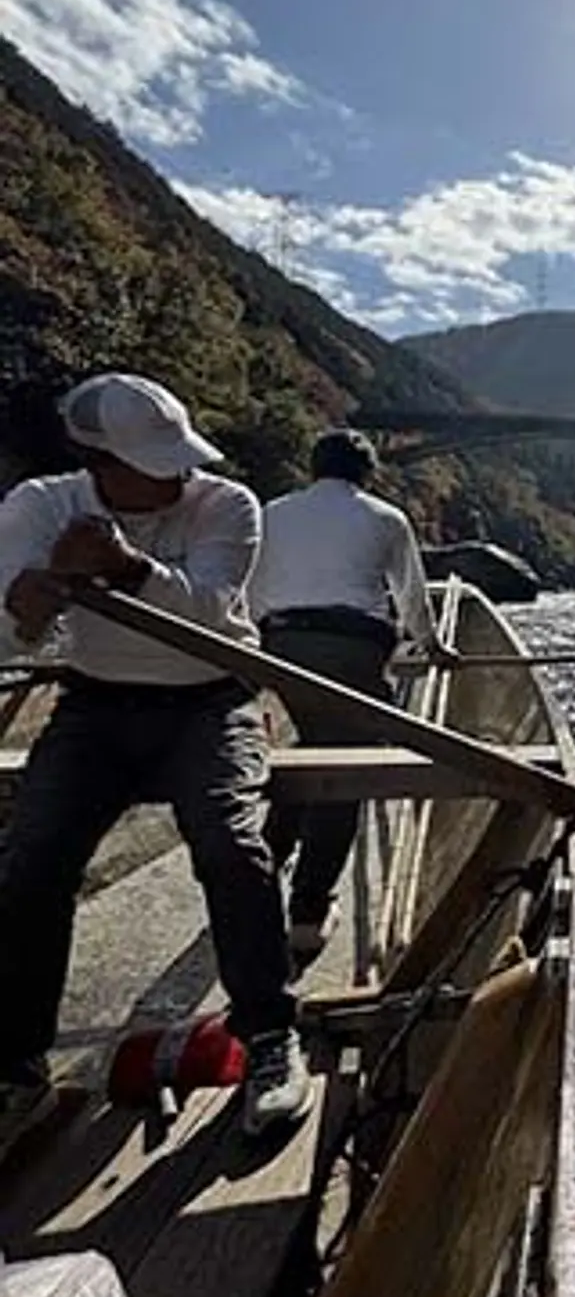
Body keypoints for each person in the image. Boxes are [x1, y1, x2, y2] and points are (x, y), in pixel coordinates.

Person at [0, 373, 309, 1136]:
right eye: (152, 462)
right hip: (94, 704)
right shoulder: (40, 506)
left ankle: (270, 1034)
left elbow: (208, 609)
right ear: (96, 463)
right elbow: (12, 634)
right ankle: (15, 1062)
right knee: (34, 854)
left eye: (178, 459)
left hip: (212, 700)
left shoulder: (227, 504)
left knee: (230, 842)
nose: (175, 475)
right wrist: (40, 594)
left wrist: (123, 569)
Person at [252, 427, 452, 961]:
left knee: (315, 744)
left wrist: (252, 652)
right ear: (367, 474)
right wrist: (432, 646)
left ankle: (264, 864)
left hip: (280, 644)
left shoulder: (269, 513)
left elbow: (250, 588)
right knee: (346, 770)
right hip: (354, 648)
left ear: (312, 468)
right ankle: (308, 913)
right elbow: (411, 597)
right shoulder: (386, 518)